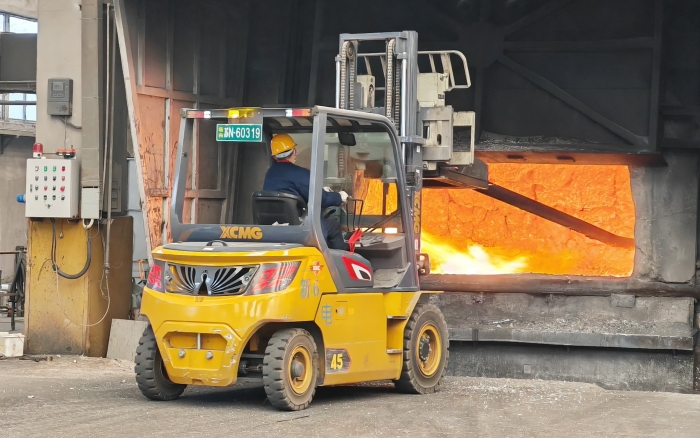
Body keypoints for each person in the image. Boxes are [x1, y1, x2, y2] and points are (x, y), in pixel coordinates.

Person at [263, 134, 350, 251]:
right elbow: (322, 199)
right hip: (299, 228)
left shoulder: (270, 174)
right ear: (294, 152)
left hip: (274, 228)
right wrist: (339, 197)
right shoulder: (300, 173)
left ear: (274, 156)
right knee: (333, 226)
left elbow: (289, 191)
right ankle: (340, 258)